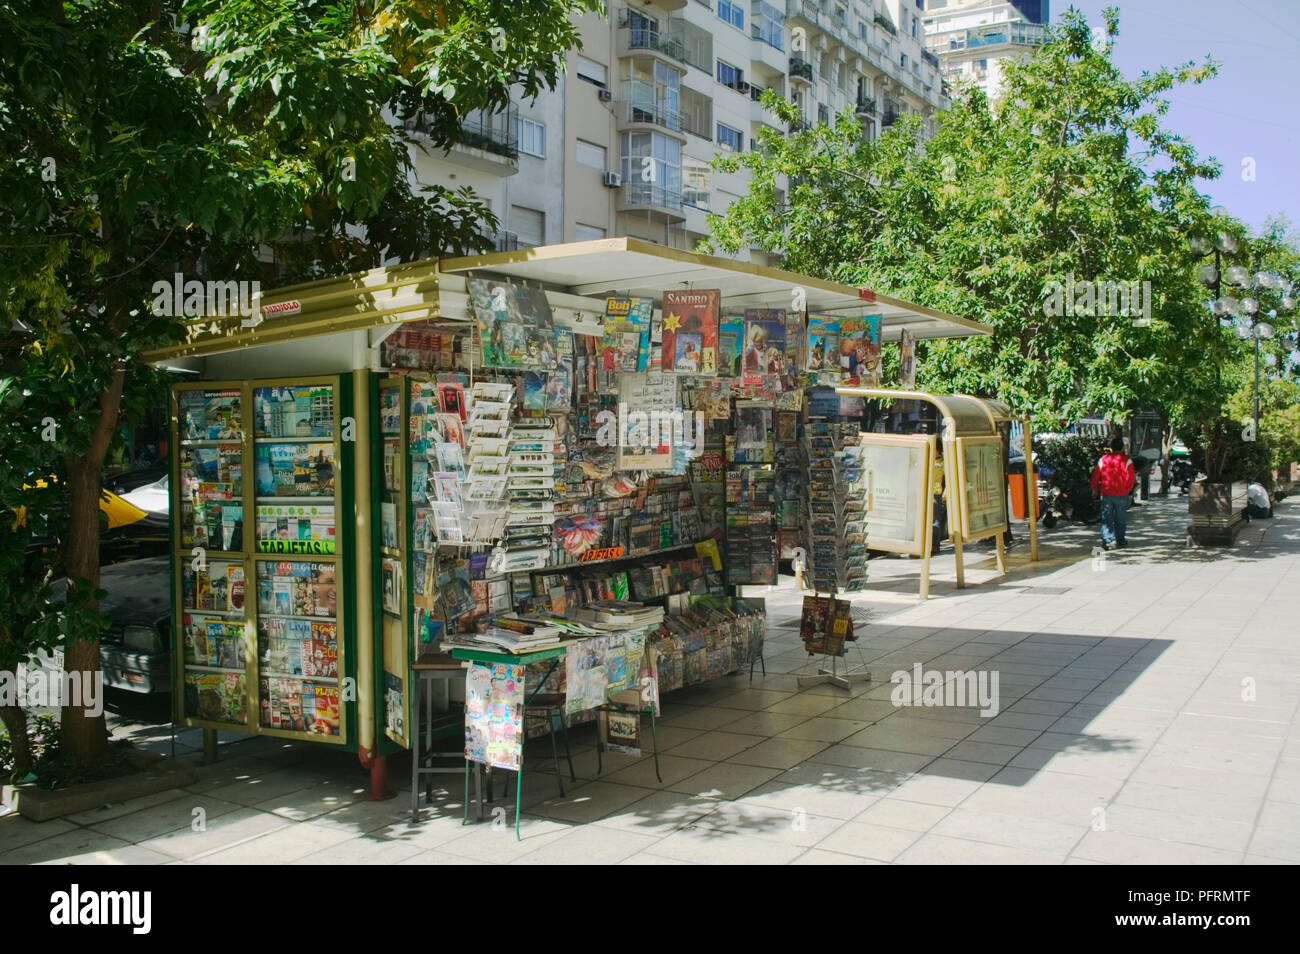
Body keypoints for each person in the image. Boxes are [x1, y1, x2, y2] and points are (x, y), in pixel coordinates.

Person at [1090, 440, 1135, 549]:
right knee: (1121, 519)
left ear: (1111, 448)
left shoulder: (1103, 459)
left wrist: (1094, 488)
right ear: (1122, 448)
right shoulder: (1127, 460)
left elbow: (1096, 475)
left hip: (1106, 493)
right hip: (1121, 494)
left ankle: (1107, 540)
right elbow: (1131, 477)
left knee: (1107, 518)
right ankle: (1120, 540)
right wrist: (1127, 489)